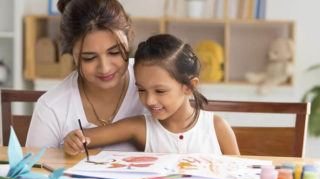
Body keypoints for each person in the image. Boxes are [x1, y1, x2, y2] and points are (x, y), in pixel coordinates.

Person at [63, 34, 240, 155]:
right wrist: (73, 141)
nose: (149, 100)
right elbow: (84, 138)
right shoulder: (140, 127)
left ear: (189, 86)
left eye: (160, 91)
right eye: (141, 90)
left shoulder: (217, 127)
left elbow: (240, 175)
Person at [26, 0, 145, 151]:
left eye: (114, 52)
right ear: (72, 55)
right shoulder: (52, 106)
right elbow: (33, 169)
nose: (104, 68)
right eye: (89, 58)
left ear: (128, 39)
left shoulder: (157, 80)